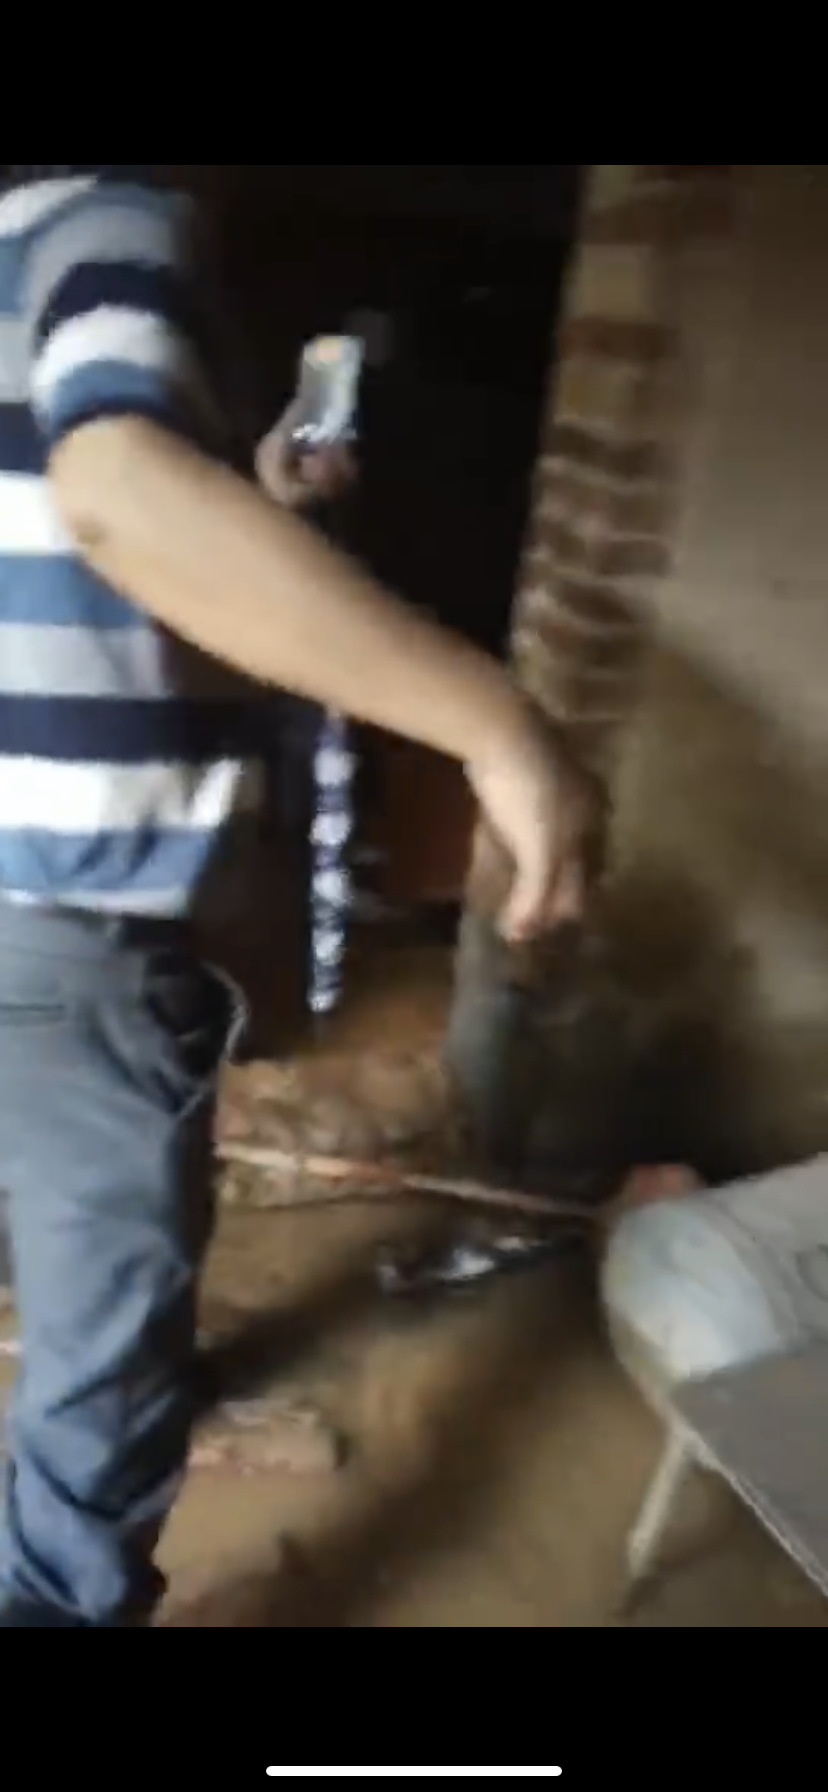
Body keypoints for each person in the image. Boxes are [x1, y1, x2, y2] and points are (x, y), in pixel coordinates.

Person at [0, 165, 594, 1627]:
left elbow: (76, 540)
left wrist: (253, 497)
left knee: (57, 1202)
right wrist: (495, 725)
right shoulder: (113, 217)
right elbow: (119, 495)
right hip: (59, 904)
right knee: (108, 1309)